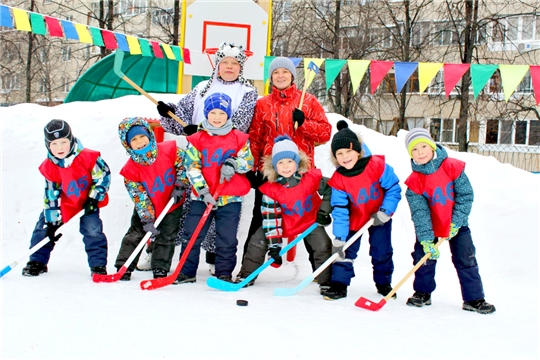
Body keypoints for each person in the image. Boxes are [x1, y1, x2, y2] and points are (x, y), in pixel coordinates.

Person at [156, 41, 258, 274]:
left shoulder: (248, 92)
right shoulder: (202, 87)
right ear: (217, 65)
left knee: (225, 221)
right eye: (225, 63)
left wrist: (204, 131)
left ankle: (216, 260)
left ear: (241, 67)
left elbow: (240, 124)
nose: (229, 67)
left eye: (234, 63)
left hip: (226, 160)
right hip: (199, 157)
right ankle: (179, 261)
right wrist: (169, 110)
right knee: (194, 212)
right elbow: (181, 114)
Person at [246, 56, 332, 266]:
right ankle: (248, 269)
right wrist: (254, 168)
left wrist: (305, 124)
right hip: (271, 172)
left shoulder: (308, 101)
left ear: (292, 75)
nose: (280, 75)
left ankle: (320, 269)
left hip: (301, 172)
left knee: (307, 218)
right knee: (262, 217)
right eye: (276, 72)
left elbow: (325, 133)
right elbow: (255, 138)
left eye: (285, 72)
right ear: (271, 77)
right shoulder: (263, 104)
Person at [403, 128, 495, 314]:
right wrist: (426, 239)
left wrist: (457, 221)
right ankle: (422, 293)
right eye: (414, 149)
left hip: (457, 224)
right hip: (430, 227)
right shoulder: (415, 182)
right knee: (423, 258)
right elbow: (420, 212)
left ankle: (474, 298)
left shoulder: (451, 167)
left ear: (432, 146)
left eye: (423, 147)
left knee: (466, 258)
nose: (420, 152)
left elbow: (465, 195)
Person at [173, 93, 253, 284]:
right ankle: (186, 271)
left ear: (228, 115)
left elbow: (248, 161)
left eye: (222, 113)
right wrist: (203, 191)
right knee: (192, 233)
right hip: (202, 198)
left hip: (230, 198)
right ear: (207, 114)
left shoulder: (238, 138)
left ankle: (224, 272)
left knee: (226, 237)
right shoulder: (197, 139)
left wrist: (234, 163)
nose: (217, 117)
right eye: (213, 113)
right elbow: (191, 166)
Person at [237, 135, 333, 293]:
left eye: (290, 161)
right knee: (257, 240)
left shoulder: (311, 178)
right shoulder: (271, 189)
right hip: (284, 221)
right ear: (274, 166)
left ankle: (326, 280)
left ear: (298, 162)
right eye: (280, 163)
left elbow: (332, 189)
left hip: (309, 220)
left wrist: (324, 211)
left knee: (322, 244)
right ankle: (246, 275)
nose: (286, 166)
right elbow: (270, 218)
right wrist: (274, 246)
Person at [324, 120, 402, 300]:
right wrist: (339, 238)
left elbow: (393, 188)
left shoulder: (376, 165)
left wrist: (385, 211)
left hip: (379, 215)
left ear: (358, 150)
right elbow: (340, 209)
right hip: (354, 218)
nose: (345, 157)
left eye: (349, 151)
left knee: (381, 250)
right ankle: (339, 284)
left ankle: (384, 284)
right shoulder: (339, 179)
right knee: (346, 250)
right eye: (340, 153)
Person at [22, 120, 110, 277]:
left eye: (63, 142)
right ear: (47, 145)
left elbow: (102, 176)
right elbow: (51, 193)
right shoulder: (50, 165)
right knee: (43, 228)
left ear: (71, 139)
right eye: (54, 144)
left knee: (93, 230)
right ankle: (37, 261)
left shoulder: (88, 157)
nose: (60, 148)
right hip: (65, 202)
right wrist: (53, 220)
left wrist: (94, 198)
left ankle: (98, 265)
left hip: (87, 201)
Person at [113, 118, 188, 281]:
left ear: (149, 134)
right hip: (146, 206)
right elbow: (139, 196)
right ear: (127, 144)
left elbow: (184, 164)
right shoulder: (130, 170)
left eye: (142, 136)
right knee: (136, 234)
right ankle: (123, 266)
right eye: (133, 140)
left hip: (171, 204)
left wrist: (180, 185)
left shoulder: (170, 150)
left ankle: (160, 268)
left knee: (167, 236)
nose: (140, 142)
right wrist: (147, 219)